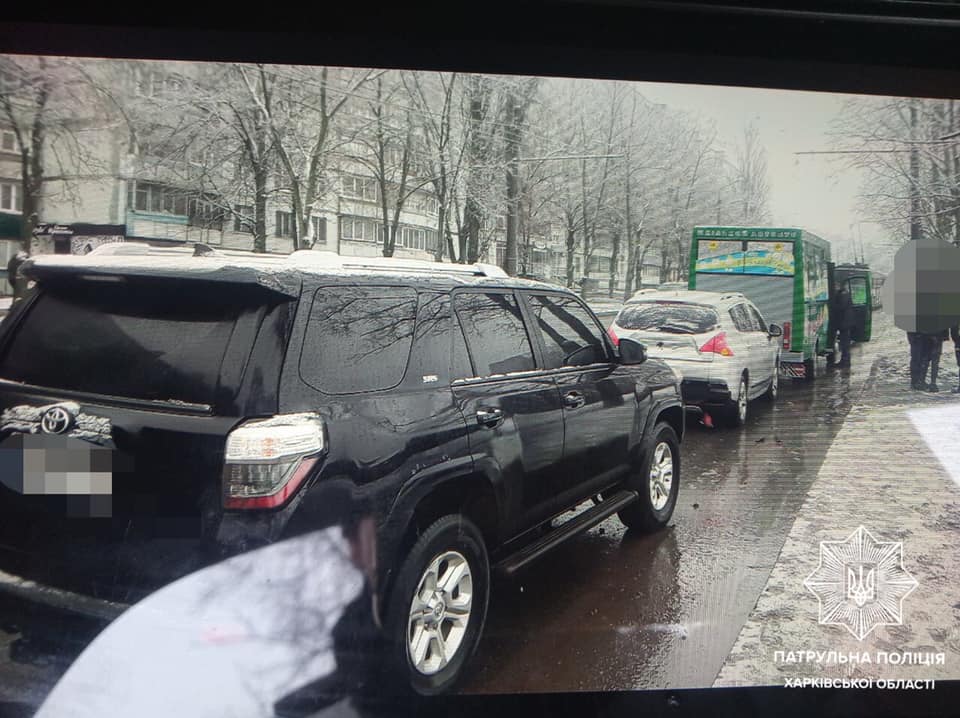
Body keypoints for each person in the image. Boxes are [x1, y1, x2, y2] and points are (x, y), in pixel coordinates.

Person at [832, 285, 854, 368]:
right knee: (844, 342)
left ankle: (845, 362)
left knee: (845, 343)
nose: (835, 288)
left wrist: (832, 305)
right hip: (845, 322)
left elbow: (842, 306)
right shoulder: (844, 293)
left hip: (845, 323)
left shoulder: (843, 294)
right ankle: (845, 361)